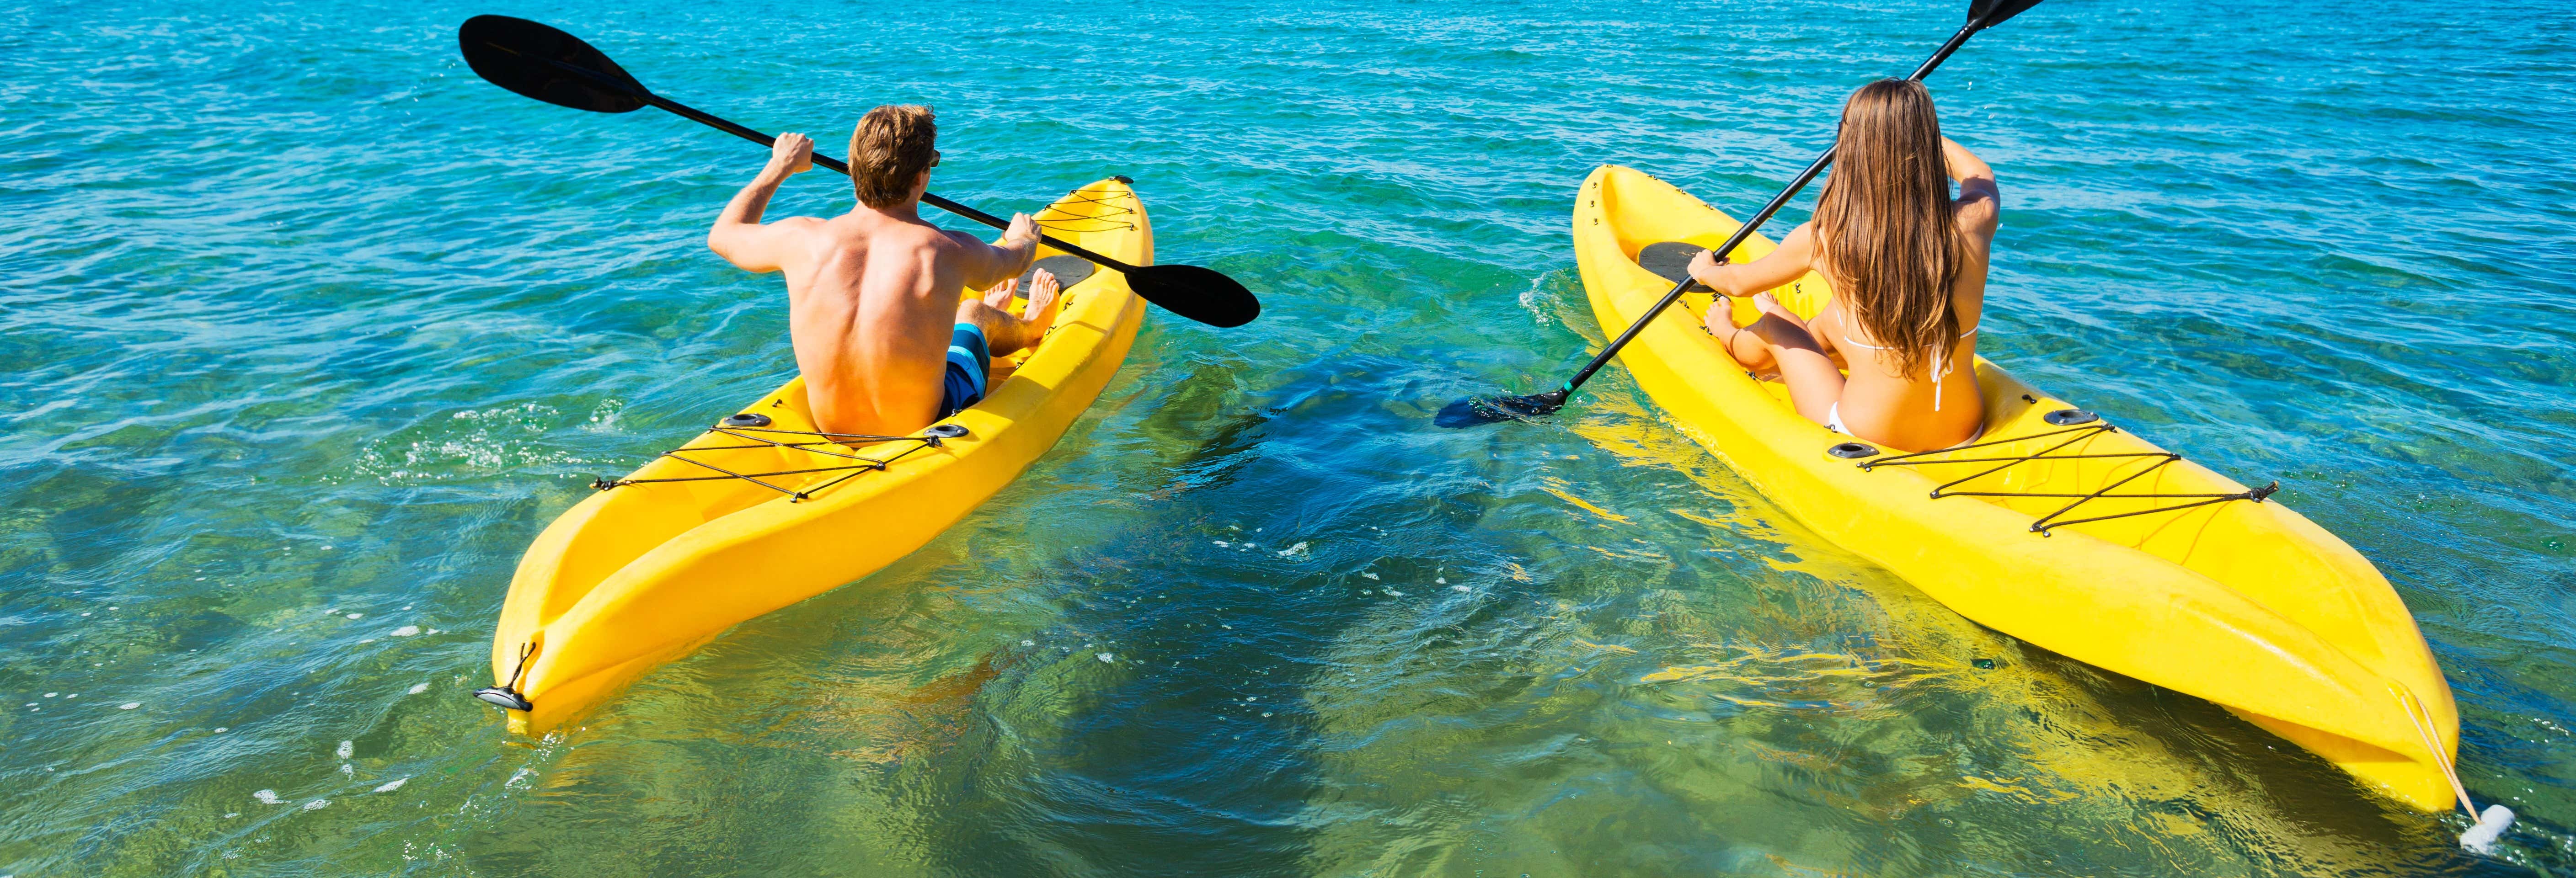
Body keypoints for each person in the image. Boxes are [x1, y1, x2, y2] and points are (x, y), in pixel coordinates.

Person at [706, 104, 1064, 438]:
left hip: (832, 427)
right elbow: (1013, 261)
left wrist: (780, 165)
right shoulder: (946, 250)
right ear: (922, 176)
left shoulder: (803, 240)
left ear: (853, 167)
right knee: (973, 312)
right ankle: (1031, 326)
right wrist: (1024, 238)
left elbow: (723, 235)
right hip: (930, 420)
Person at [1686, 79, 2000, 452]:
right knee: (1838, 315)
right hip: (1964, 430)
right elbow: (1980, 174)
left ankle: (1731, 335)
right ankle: (1816, 338)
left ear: (1853, 148)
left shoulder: (1827, 237)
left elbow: (1738, 283)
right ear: (1928, 144)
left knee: (1777, 325)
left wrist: (1706, 270)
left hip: (1865, 436)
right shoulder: (1977, 218)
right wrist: (1913, 130)